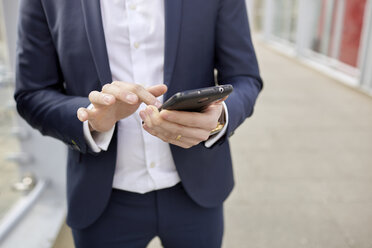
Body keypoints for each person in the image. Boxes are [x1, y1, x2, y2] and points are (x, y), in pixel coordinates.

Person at [15, 0, 262, 247]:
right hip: (99, 199)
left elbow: (245, 76)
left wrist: (218, 119)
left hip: (198, 190)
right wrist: (90, 117)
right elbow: (32, 93)